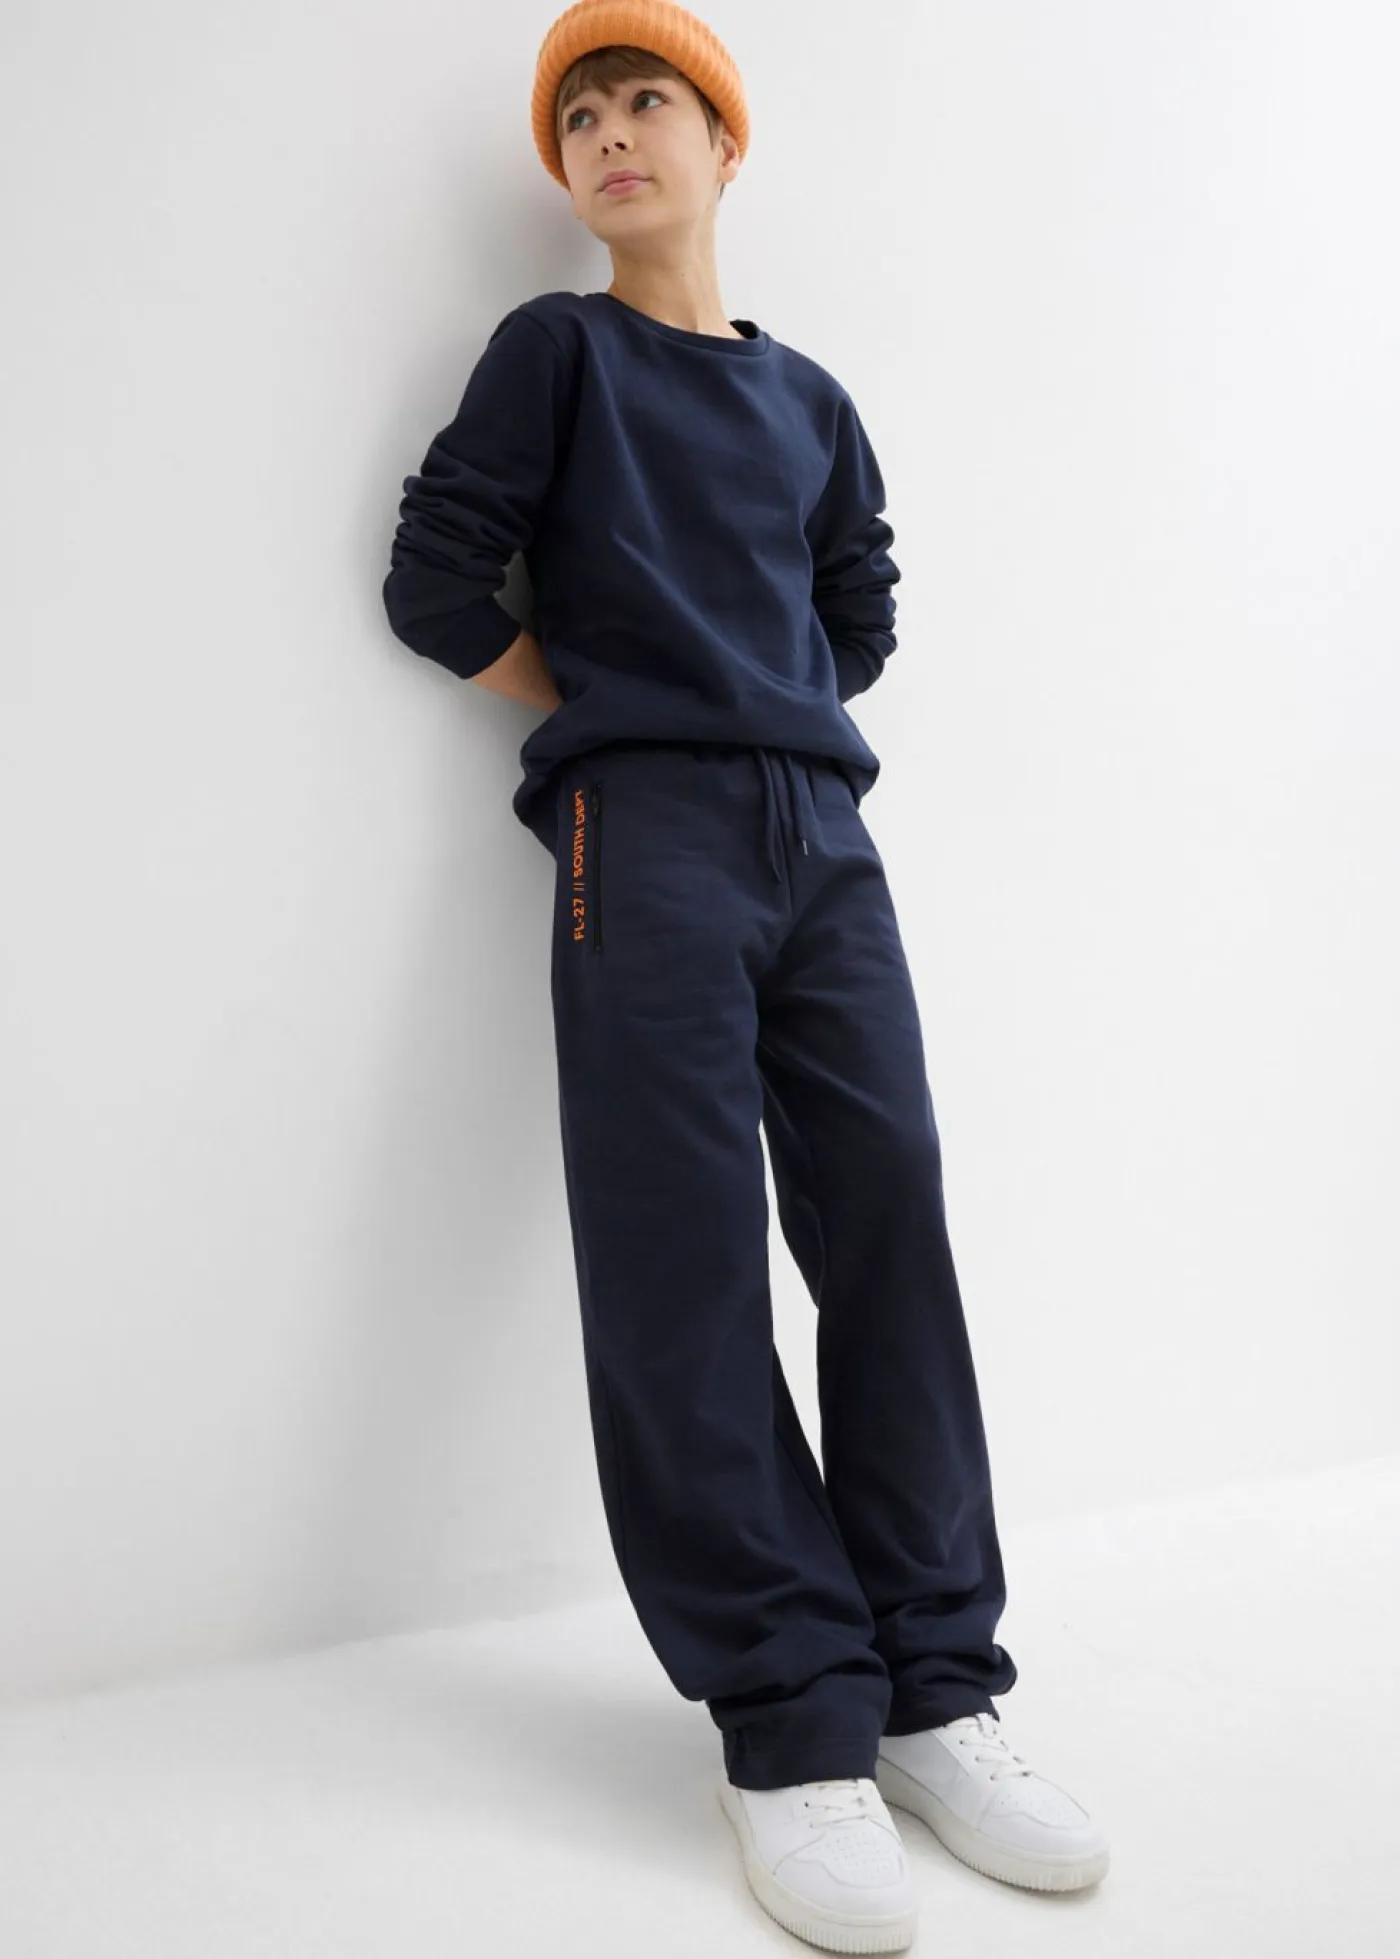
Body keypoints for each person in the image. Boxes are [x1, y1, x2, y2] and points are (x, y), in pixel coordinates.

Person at [382, 1, 1108, 1947]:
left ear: (723, 144)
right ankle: (789, 1719)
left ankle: (933, 1686)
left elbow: (859, 607)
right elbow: (435, 580)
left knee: (890, 1220)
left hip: (825, 843)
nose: (613, 135)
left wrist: (760, 699)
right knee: (682, 1250)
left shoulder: (811, 401)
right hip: (644, 836)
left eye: (651, 102)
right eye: (582, 118)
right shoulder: (557, 353)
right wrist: (628, 706)